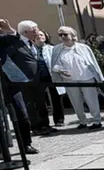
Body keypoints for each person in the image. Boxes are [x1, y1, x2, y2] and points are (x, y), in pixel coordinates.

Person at [51, 26, 104, 130]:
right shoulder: (57, 49)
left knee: (91, 100)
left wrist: (98, 76)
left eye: (65, 34)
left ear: (72, 35)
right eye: (60, 35)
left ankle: (97, 120)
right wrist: (60, 70)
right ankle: (82, 121)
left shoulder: (83, 47)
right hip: (69, 80)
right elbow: (54, 65)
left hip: (86, 77)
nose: (63, 37)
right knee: (75, 101)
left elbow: (92, 62)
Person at [0, 19, 38, 153]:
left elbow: (17, 40)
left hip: (10, 83)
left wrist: (8, 29)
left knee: (21, 114)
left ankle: (26, 144)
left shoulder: (4, 39)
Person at [34, 30, 65, 128]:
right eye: (37, 35)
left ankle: (59, 120)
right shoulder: (31, 49)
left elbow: (59, 61)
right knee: (40, 100)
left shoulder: (52, 49)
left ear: (46, 37)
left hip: (52, 76)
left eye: (42, 34)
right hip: (39, 77)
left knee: (56, 98)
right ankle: (44, 121)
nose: (39, 36)